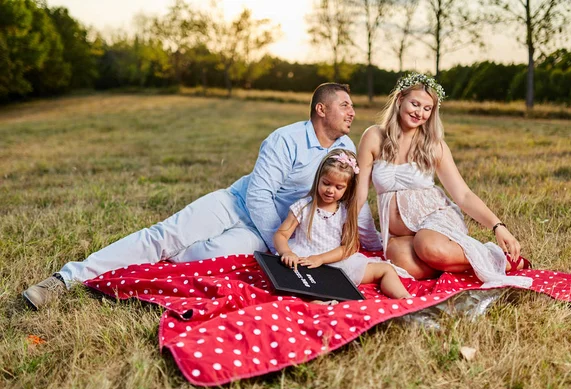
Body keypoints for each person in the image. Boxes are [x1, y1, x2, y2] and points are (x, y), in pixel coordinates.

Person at [23, 83, 383, 310]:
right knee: (165, 235)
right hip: (237, 205)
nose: (353, 112)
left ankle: (159, 260)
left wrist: (374, 245)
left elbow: (353, 200)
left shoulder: (344, 147)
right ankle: (65, 278)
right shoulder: (284, 139)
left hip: (265, 233)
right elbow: (259, 196)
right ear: (322, 109)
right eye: (345, 105)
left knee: (203, 257)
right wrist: (285, 248)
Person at [356, 73, 532, 288]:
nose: (419, 113)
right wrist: (346, 231)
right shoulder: (373, 136)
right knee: (404, 266)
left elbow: (463, 195)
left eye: (427, 108)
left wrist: (497, 226)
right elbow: (360, 192)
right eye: (415, 104)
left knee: (429, 247)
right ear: (400, 99)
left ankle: (499, 259)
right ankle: (477, 261)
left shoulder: (433, 145)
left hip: (434, 218)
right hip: (398, 235)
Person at [274, 149, 412, 299]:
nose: (330, 190)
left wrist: (321, 258)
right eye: (326, 183)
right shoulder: (303, 207)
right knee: (309, 287)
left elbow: (349, 247)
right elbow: (281, 234)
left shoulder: (345, 212)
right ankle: (321, 304)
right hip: (305, 260)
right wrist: (286, 252)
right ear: (318, 179)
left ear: (347, 189)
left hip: (335, 261)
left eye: (338, 187)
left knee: (385, 269)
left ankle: (406, 300)